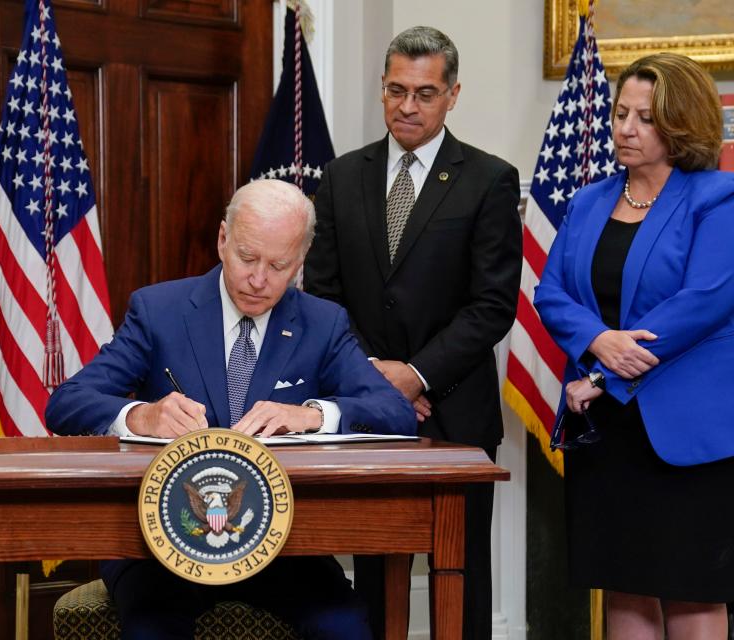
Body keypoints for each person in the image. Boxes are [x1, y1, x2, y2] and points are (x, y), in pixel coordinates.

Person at [46, 178, 418, 639]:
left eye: (278, 265)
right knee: (152, 631)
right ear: (223, 239)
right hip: (163, 546)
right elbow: (66, 404)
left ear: (300, 263)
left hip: (282, 546)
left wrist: (314, 415)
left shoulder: (323, 324)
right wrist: (141, 415)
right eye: (247, 258)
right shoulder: (158, 310)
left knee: (345, 627)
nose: (259, 279)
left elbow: (395, 412)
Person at [303, 26, 521, 639]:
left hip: (457, 412)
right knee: (372, 568)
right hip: (366, 410)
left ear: (453, 95)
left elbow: (491, 305)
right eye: (395, 90)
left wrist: (416, 374)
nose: (407, 106)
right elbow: (323, 296)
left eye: (424, 94)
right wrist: (373, 378)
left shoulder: (488, 179)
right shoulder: (342, 177)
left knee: (462, 570)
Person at [534, 52, 734, 639]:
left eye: (645, 118)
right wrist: (597, 339)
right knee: (625, 585)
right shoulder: (589, 200)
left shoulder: (717, 198)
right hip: (608, 433)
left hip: (688, 435)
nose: (625, 128)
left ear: (680, 123)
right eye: (622, 114)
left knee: (693, 593)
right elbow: (550, 294)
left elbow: (699, 306)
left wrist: (601, 376)